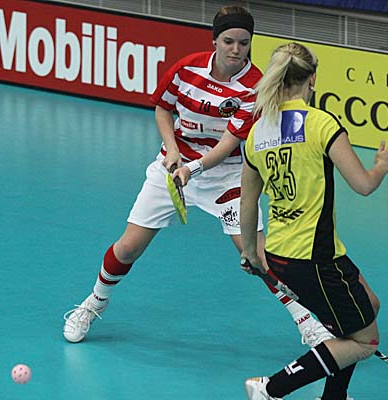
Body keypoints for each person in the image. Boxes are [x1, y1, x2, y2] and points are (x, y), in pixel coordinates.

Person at [62, 5, 331, 352]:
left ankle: (307, 323)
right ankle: (95, 302)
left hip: (225, 177)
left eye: (244, 43)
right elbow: (163, 108)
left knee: (256, 256)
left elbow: (227, 144)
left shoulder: (255, 87)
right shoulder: (187, 68)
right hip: (171, 168)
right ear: (215, 40)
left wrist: (193, 169)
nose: (236, 49)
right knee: (128, 247)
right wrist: (173, 151)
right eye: (229, 41)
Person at [240, 42, 388, 400]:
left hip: (282, 253)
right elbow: (363, 185)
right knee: (365, 341)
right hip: (314, 258)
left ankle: (333, 397)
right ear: (311, 79)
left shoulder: (258, 132)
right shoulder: (321, 123)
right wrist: (381, 167)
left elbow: (247, 201)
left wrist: (250, 252)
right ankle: (270, 389)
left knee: (369, 304)